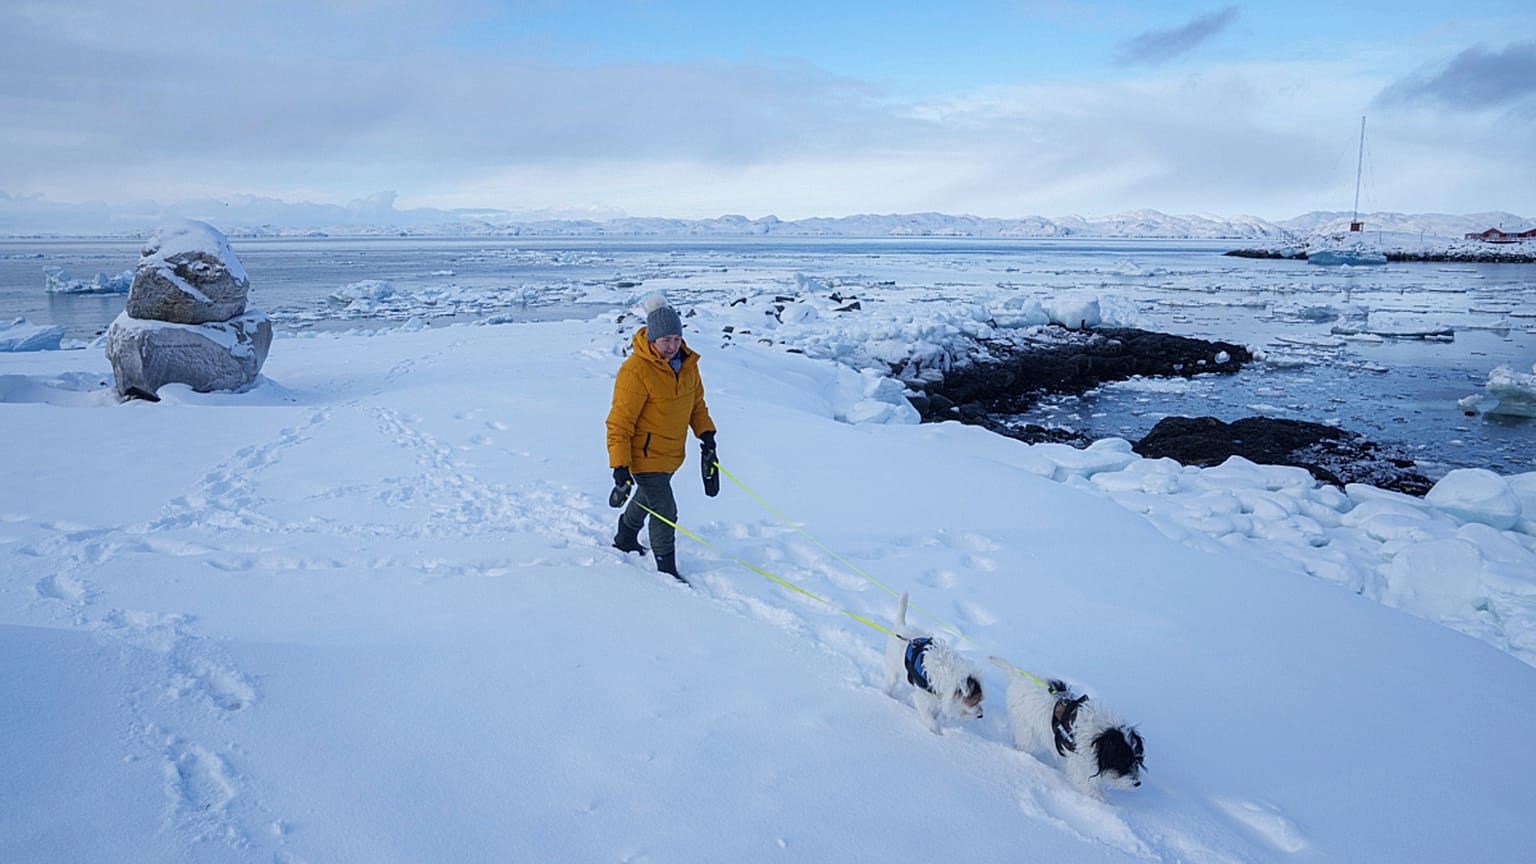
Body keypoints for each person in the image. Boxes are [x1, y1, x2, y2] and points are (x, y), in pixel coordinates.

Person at [606, 296, 718, 580]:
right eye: (665, 340)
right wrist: (620, 466)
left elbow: (696, 406)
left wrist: (707, 435)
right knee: (665, 509)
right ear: (652, 339)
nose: (672, 346)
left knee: (647, 497)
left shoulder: (688, 366)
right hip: (644, 456)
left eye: (676, 339)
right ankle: (666, 569)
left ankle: (625, 538)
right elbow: (619, 422)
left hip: (671, 454)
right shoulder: (636, 371)